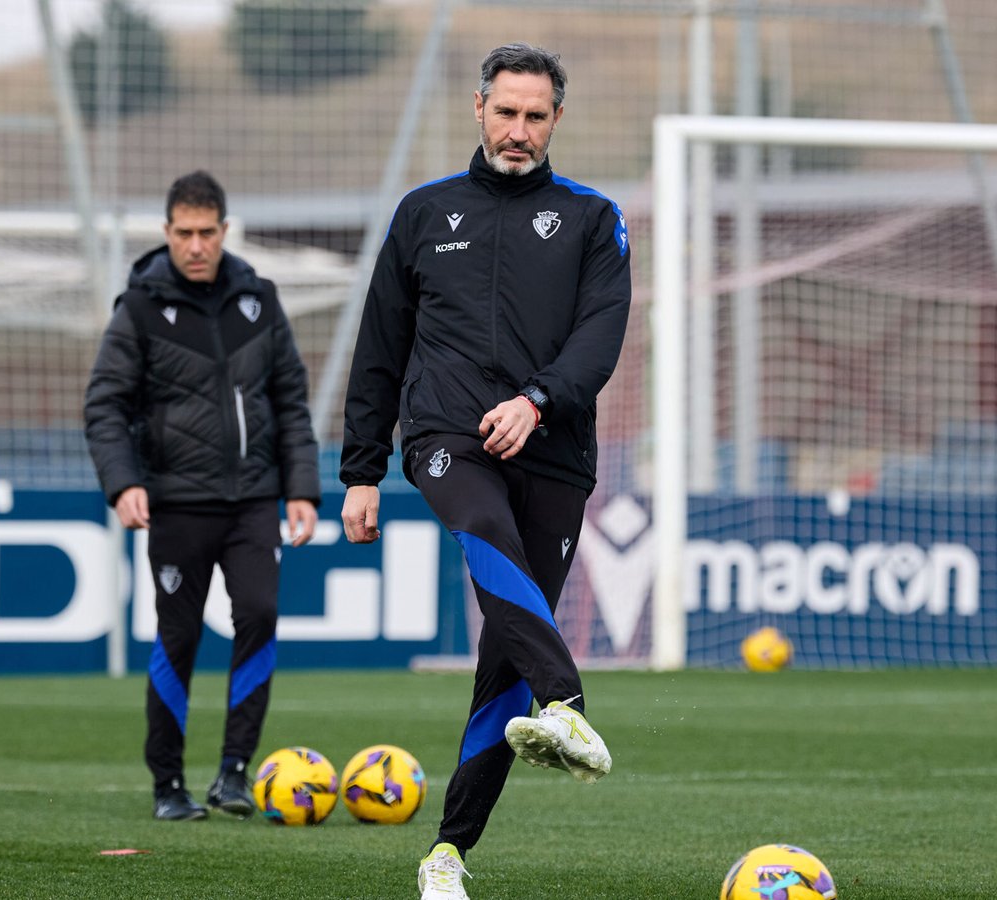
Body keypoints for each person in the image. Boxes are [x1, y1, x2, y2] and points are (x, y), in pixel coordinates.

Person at [339, 43, 631, 900]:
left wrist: (538, 400)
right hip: (446, 436)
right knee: (482, 526)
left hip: (555, 449)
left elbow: (600, 339)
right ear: (478, 108)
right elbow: (380, 347)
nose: (519, 130)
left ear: (556, 122)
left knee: (502, 656)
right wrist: (361, 469)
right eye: (505, 112)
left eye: (535, 116)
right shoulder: (424, 212)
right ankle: (568, 702)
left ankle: (445, 856)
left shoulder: (591, 217)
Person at [84, 170, 320, 822]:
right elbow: (104, 405)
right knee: (178, 638)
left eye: (206, 233)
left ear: (224, 231)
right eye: (184, 233)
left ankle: (234, 773)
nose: (195, 245)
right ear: (166, 233)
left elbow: (291, 404)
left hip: (252, 501)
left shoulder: (258, 300)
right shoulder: (138, 308)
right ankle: (168, 786)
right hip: (177, 502)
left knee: (260, 615)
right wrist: (123, 482)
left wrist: (301, 489)